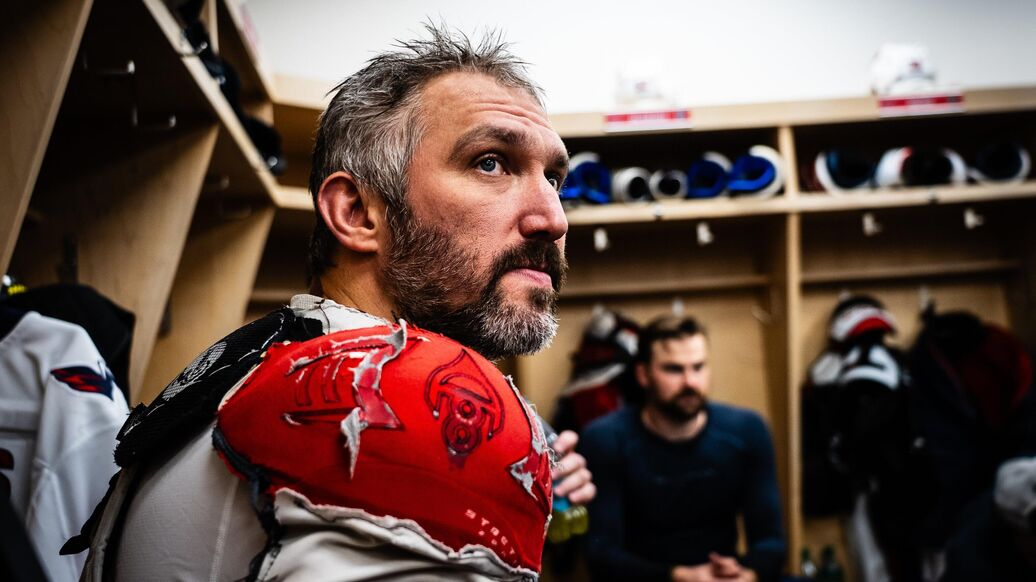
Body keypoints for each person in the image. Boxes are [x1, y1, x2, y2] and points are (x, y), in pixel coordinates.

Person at [73, 24, 594, 581]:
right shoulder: (403, 398)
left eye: (554, 179)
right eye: (491, 162)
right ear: (356, 213)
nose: (554, 218)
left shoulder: (258, 360)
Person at [580, 315, 785, 582]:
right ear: (643, 375)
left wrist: (748, 574)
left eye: (698, 367)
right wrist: (681, 577)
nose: (690, 382)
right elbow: (601, 554)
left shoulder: (746, 431)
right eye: (674, 369)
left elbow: (771, 542)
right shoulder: (606, 438)